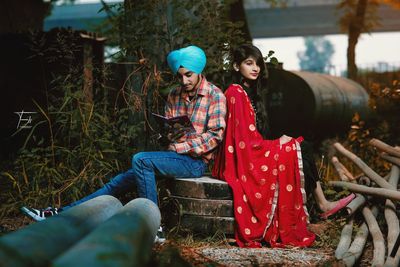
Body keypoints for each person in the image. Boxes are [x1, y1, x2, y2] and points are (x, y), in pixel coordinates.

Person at [21, 45, 227, 242]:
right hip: (173, 156)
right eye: (179, 75)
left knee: (141, 160)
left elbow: (215, 136)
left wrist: (181, 145)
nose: (183, 80)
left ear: (199, 71)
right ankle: (58, 214)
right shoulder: (174, 94)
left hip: (196, 163)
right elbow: (170, 132)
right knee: (117, 182)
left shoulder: (214, 94)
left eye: (188, 74)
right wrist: (169, 135)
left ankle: (153, 228)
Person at [212, 44, 355, 248]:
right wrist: (276, 144)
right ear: (236, 66)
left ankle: (321, 205)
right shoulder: (235, 93)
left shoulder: (247, 91)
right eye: (248, 63)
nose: (255, 68)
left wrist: (275, 144)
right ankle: (322, 204)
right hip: (245, 159)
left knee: (300, 145)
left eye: (258, 64)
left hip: (252, 152)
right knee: (297, 147)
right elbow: (244, 140)